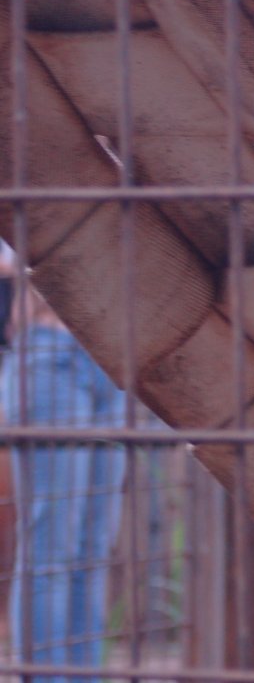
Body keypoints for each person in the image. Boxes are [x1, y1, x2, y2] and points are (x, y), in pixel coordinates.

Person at [0, 244, 126, 682]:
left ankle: (84, 676)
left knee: (94, 547)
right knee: (51, 547)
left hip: (112, 358)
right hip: (49, 352)